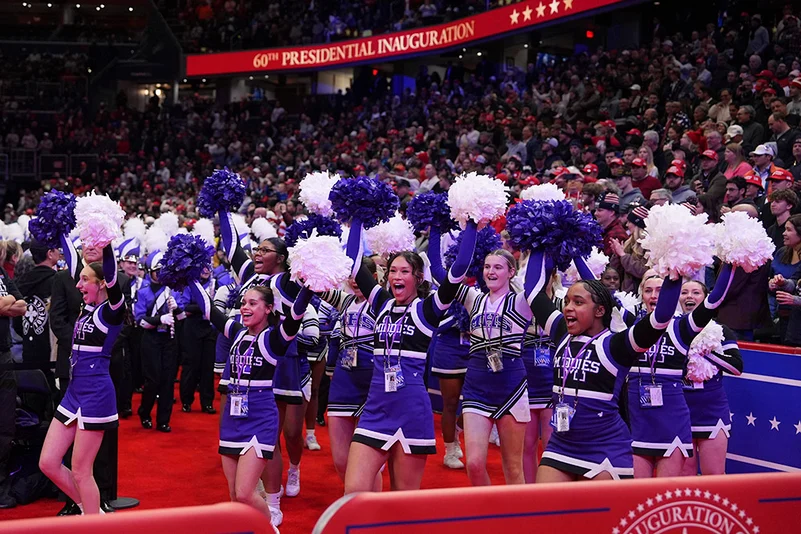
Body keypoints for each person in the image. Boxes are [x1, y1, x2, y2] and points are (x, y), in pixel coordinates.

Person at [342, 215, 475, 493]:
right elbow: (353, 263)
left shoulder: (427, 310)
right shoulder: (380, 302)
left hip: (411, 411)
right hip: (376, 409)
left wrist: (471, 225)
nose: (396, 277)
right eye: (392, 271)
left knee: (403, 501)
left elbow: (458, 269)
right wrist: (356, 217)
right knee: (353, 492)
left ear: (418, 277)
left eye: (404, 271)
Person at [525, 249, 684, 482]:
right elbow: (532, 293)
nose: (568, 307)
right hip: (562, 443)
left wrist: (675, 277)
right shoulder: (560, 331)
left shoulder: (616, 344)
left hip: (605, 448)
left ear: (599, 311)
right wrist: (538, 243)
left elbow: (659, 321)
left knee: (601, 518)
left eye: (578, 302)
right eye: (567, 301)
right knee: (544, 513)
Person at [188, 273, 313, 522]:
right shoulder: (236, 333)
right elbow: (208, 309)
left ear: (268, 309)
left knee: (245, 493)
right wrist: (189, 275)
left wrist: (309, 287)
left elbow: (296, 315)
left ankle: (271, 530)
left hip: (260, 418)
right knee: (235, 496)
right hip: (233, 420)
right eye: (243, 302)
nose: (245, 307)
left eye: (253, 303)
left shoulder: (275, 339)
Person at [39, 239, 125, 515]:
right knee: (49, 462)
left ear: (102, 284)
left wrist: (107, 241)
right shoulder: (87, 309)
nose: (78, 285)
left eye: (85, 280)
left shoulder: (112, 313)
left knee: (81, 470)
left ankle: (93, 523)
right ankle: (91, 511)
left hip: (96, 395)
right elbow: (76, 263)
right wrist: (63, 230)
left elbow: (110, 273)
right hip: (74, 392)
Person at [628, 266, 735, 478]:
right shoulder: (631, 325)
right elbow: (602, 295)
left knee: (674, 491)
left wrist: (731, 262)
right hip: (639, 422)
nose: (655, 296)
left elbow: (714, 300)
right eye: (648, 290)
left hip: (674, 422)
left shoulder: (683, 328)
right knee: (636, 494)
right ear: (641, 295)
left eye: (661, 290)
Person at [317, 258, 382, 487]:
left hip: (372, 378)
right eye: (352, 276)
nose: (355, 281)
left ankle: (370, 510)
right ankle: (355, 501)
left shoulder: (382, 303)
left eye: (360, 275)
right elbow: (318, 288)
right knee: (341, 460)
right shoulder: (345, 301)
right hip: (344, 379)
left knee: (368, 459)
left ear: (373, 278)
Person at [678, 281, 743, 476]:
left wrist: (706, 352)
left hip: (712, 410)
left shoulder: (721, 330)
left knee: (714, 476)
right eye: (684, 292)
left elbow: (737, 367)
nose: (689, 296)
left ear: (705, 299)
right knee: (684, 480)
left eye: (696, 292)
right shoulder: (672, 329)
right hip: (679, 410)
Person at [426, 227, 471, 470]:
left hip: (475, 348)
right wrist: (458, 318)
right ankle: (450, 448)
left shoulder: (481, 287)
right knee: (450, 402)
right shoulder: (446, 284)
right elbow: (435, 322)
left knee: (474, 401)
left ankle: (459, 430)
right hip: (449, 347)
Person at [135, 251, 180, 432]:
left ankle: (163, 419)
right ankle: (145, 412)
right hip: (151, 339)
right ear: (149, 271)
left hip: (169, 339)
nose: (161, 275)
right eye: (157, 271)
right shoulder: (143, 291)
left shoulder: (172, 289)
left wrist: (177, 309)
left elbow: (182, 316)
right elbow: (140, 320)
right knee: (153, 380)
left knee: (168, 381)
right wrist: (159, 320)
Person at [14, 239, 59, 392]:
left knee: (31, 394)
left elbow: (17, 321)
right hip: (51, 349)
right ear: (50, 254)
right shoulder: (58, 281)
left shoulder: (21, 281)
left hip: (29, 345)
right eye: (56, 249)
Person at [0, 254, 26, 509]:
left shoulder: (1, 274)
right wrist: (8, 302)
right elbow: (11, 303)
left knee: (6, 426)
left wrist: (4, 303)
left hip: (5, 356)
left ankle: (1, 489)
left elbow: (22, 306)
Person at [179, 267, 217, 414]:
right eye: (202, 266)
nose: (206, 270)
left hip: (209, 327)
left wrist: (201, 307)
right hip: (192, 327)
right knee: (191, 365)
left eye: (209, 266)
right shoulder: (191, 283)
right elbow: (186, 308)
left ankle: (207, 402)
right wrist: (206, 306)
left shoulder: (215, 283)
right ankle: (186, 401)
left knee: (208, 367)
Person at [609, 204, 650, 293]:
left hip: (639, 294)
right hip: (625, 293)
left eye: (629, 222)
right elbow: (616, 271)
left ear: (637, 225)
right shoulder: (629, 243)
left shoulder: (648, 246)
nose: (627, 225)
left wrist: (623, 255)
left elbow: (642, 272)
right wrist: (616, 255)